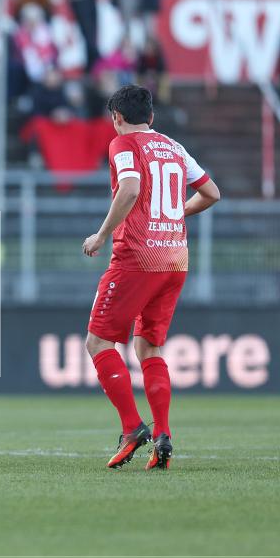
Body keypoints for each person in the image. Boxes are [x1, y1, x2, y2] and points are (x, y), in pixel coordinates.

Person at [81, 85, 221, 470]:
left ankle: (132, 428)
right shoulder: (174, 147)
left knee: (98, 342)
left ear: (117, 118)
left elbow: (129, 189)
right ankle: (163, 435)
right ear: (153, 117)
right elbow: (211, 193)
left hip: (137, 258)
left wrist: (101, 235)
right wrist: (174, 214)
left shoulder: (123, 144)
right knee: (149, 348)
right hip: (175, 259)